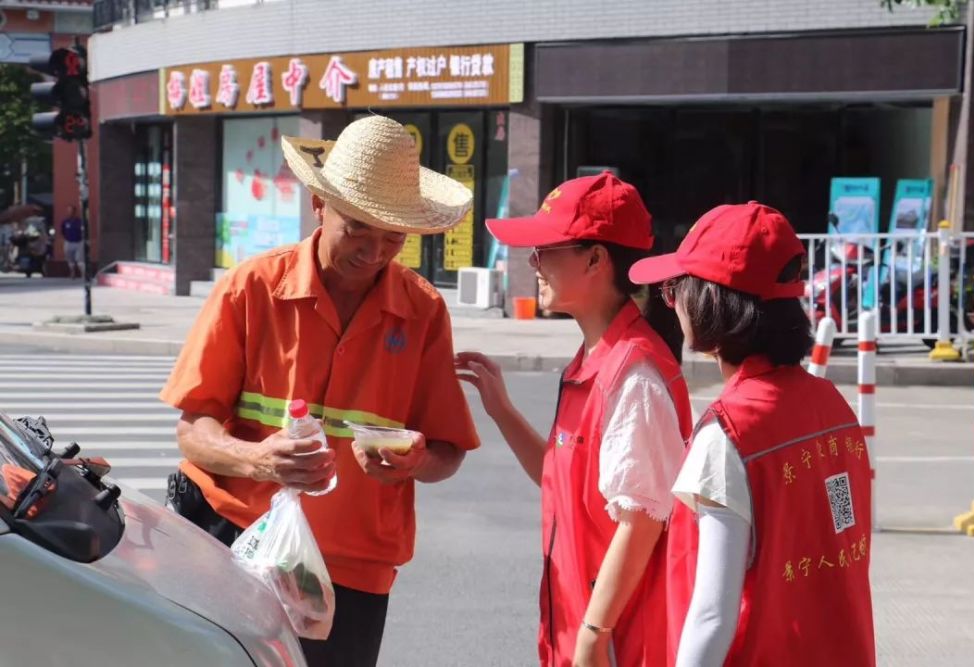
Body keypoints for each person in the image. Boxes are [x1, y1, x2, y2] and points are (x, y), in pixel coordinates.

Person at [159, 115, 480, 667]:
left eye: (393, 236)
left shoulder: (424, 310)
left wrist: (413, 463)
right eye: (357, 227)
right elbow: (193, 431)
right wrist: (258, 459)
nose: (375, 250)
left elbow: (446, 453)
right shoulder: (250, 288)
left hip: (352, 570)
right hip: (229, 543)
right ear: (318, 205)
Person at [457, 172, 692, 667]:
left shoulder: (635, 374)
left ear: (595, 258)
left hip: (617, 646)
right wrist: (502, 411)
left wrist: (592, 634)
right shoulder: (596, 359)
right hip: (581, 636)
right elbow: (563, 481)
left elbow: (643, 520)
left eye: (546, 249)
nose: (534, 262)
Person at [628, 202, 876, 666]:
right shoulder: (833, 407)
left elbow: (711, 616)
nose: (673, 301)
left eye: (676, 289)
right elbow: (844, 534)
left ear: (710, 302)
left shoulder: (729, 433)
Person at [60, 205, 84, 279]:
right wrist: (66, 238)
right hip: (68, 242)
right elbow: (62, 231)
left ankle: (83, 274)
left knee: (80, 259)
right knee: (70, 258)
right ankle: (72, 273)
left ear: (74, 212)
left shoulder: (79, 222)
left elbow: (83, 231)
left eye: (71, 211)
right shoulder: (65, 222)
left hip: (79, 242)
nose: (70, 212)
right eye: (69, 211)